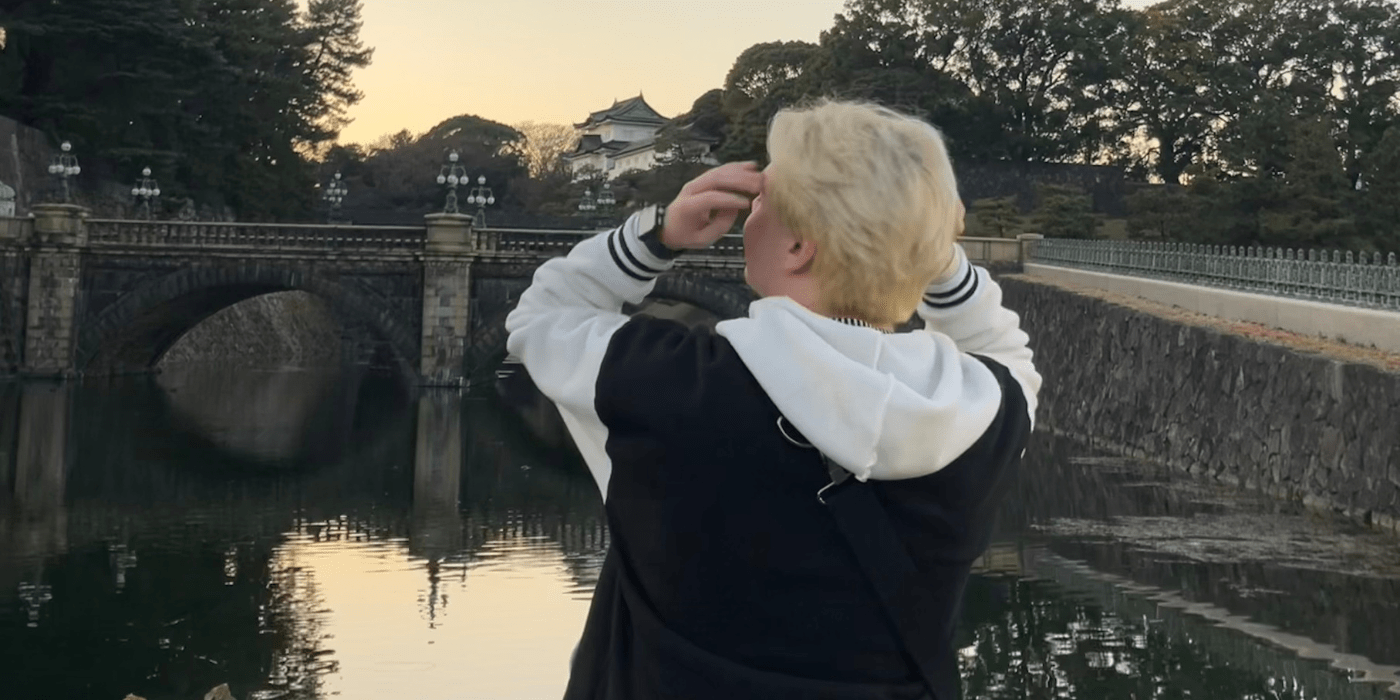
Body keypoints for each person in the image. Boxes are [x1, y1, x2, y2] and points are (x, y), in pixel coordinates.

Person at [505, 99, 1041, 700]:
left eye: (761, 200)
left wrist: (657, 235)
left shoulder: (670, 385)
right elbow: (1003, 347)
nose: (747, 215)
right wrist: (921, 245)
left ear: (798, 248)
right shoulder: (981, 413)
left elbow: (543, 315)